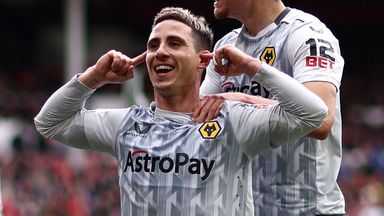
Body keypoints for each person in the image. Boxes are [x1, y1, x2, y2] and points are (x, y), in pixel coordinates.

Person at [34, 7, 327, 215]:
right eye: (153, 45)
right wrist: (93, 77)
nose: (160, 51)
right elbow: (49, 123)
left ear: (203, 61)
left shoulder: (233, 122)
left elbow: (313, 114)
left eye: (175, 43)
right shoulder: (127, 125)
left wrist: (252, 68)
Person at [197, 0, 345, 215]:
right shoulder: (225, 46)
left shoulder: (309, 34)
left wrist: (240, 101)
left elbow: (321, 121)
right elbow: (197, 119)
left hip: (309, 210)